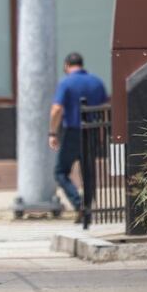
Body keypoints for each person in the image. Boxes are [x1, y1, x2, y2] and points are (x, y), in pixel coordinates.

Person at [50, 52, 108, 218]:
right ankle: (88, 209)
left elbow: (57, 109)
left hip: (73, 133)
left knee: (60, 172)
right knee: (88, 173)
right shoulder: (97, 82)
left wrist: (52, 132)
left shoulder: (66, 83)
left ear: (67, 65)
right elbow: (104, 109)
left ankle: (78, 204)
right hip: (93, 131)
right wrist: (102, 133)